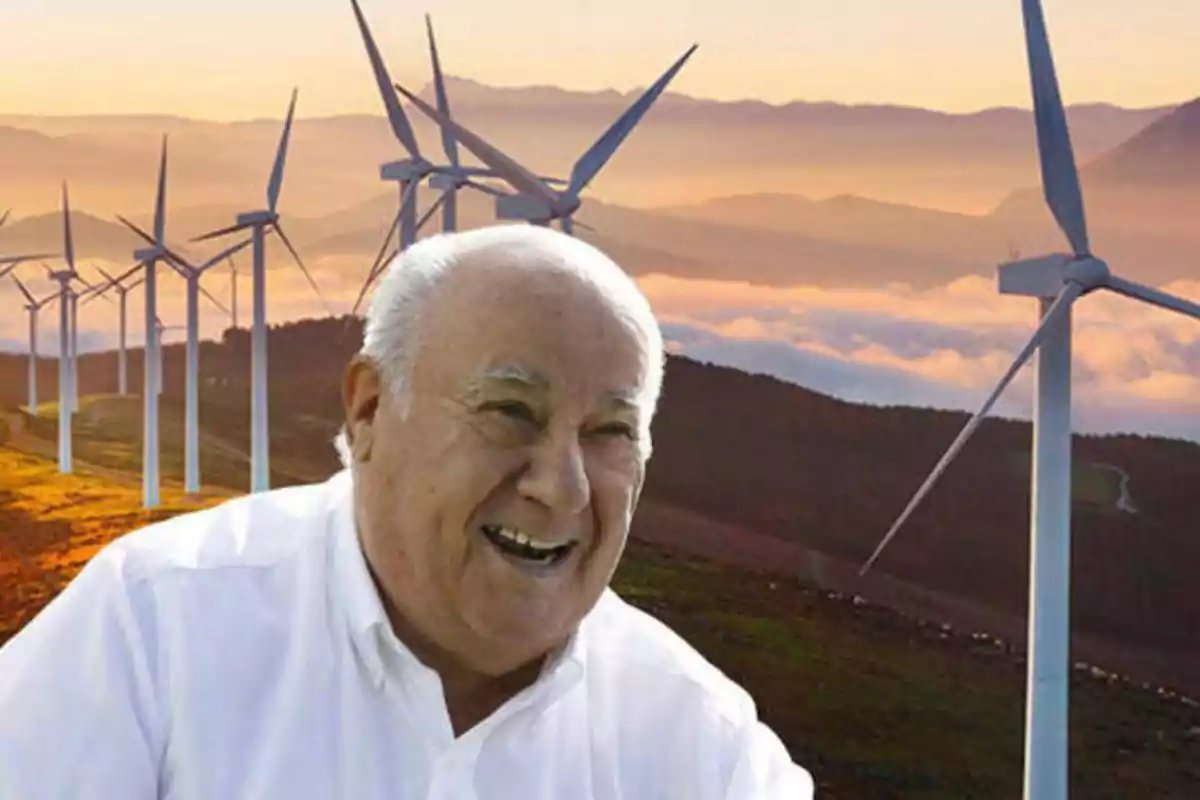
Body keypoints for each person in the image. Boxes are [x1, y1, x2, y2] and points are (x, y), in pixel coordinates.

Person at [0, 224, 814, 798]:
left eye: (609, 433)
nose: (561, 487)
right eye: (509, 412)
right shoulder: (151, 633)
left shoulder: (702, 747)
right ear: (369, 408)